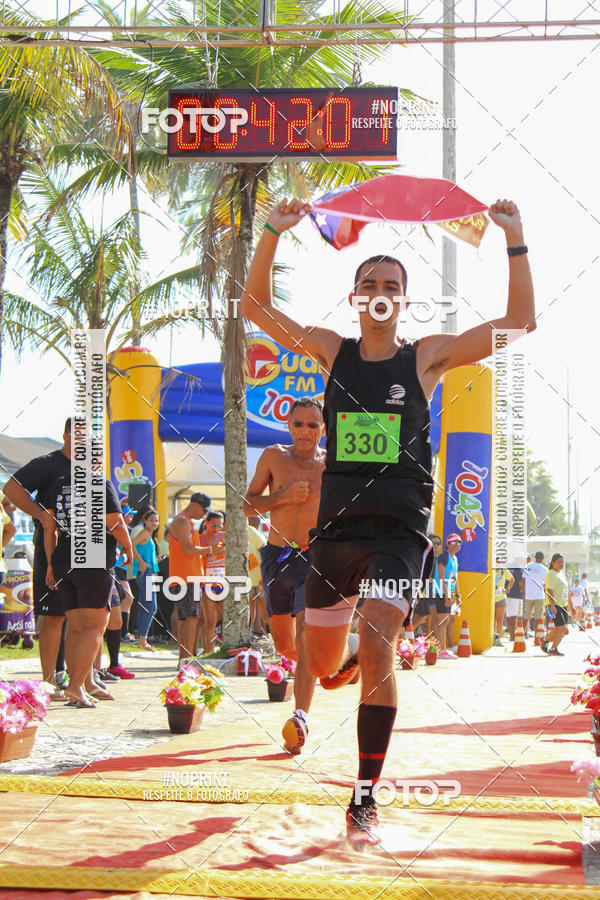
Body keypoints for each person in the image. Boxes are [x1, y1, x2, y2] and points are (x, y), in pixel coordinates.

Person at [240, 194, 534, 846]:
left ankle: (363, 799)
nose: (380, 293)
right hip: (336, 537)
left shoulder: (425, 357)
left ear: (402, 301)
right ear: (355, 297)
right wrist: (271, 232)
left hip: (399, 536)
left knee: (378, 643)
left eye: (391, 287)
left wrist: (513, 237)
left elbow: (519, 321)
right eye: (369, 284)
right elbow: (254, 309)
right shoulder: (331, 351)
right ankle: (340, 660)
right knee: (316, 661)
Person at [244, 397, 325, 755]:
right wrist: (283, 497)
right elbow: (247, 504)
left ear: (323, 429)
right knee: (284, 643)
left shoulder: (333, 463)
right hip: (278, 556)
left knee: (307, 635)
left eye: (313, 425)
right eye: (299, 424)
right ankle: (325, 666)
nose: (305, 431)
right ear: (289, 426)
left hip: (316, 557)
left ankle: (301, 716)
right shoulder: (274, 457)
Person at [42, 474, 133, 706]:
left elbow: (49, 527)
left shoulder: (58, 483)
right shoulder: (99, 483)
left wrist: (51, 563)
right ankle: (75, 687)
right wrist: (128, 548)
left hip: (63, 556)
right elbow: (115, 522)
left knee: (76, 627)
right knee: (94, 626)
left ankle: (79, 685)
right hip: (93, 555)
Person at [3, 418, 72, 692]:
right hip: (51, 547)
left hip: (85, 551)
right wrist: (41, 515)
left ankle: (79, 678)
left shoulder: (90, 467)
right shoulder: (47, 463)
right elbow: (11, 488)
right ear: (66, 435)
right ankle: (48, 681)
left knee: (81, 616)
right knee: (54, 614)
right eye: (79, 435)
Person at [168, 492, 213, 665]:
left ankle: (186, 659)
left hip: (189, 577)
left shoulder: (188, 522)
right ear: (195, 505)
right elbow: (187, 549)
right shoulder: (182, 521)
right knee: (190, 618)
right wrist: (210, 550)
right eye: (203, 510)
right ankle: (185, 661)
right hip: (185, 577)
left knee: (192, 618)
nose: (204, 515)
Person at [131, 508, 160, 651]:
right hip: (145, 573)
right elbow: (130, 545)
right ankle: (142, 639)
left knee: (144, 605)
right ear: (144, 521)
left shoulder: (149, 535)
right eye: (152, 520)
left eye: (156, 520)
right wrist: (141, 562)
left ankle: (141, 638)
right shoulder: (144, 533)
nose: (155, 523)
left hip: (148, 573)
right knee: (151, 607)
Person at [198, 511, 226, 655]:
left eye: (220, 525)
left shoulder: (224, 537)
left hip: (223, 581)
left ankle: (224, 649)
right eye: (214, 525)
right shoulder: (199, 539)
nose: (217, 529)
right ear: (206, 523)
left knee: (225, 617)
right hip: (207, 582)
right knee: (210, 620)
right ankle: (208, 651)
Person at [435, 535, 462, 658]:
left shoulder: (455, 558)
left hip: (448, 592)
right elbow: (441, 578)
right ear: (448, 544)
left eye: (460, 543)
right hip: (440, 591)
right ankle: (441, 649)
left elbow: (454, 578)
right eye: (455, 542)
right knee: (442, 621)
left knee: (446, 620)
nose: (458, 545)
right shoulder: (443, 557)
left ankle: (441, 648)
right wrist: (447, 595)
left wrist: (457, 595)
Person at [412, 533, 441, 634]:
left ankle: (428, 639)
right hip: (424, 590)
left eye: (438, 543)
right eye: (433, 543)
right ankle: (406, 634)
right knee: (422, 615)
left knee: (429, 616)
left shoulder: (442, 560)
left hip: (436, 591)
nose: (436, 545)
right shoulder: (425, 558)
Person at [542, 553, 570, 655]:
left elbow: (566, 591)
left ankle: (549, 644)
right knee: (561, 627)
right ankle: (549, 645)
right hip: (554, 605)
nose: (561, 564)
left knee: (561, 628)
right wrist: (552, 605)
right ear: (553, 562)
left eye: (563, 562)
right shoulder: (551, 574)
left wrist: (570, 606)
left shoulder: (562, 575)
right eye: (559, 562)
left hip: (563, 605)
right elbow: (549, 590)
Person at [522, 551, 548, 638]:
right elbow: (546, 583)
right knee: (538, 617)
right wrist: (541, 584)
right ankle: (537, 636)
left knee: (526, 617)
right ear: (543, 558)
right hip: (539, 595)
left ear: (535, 557)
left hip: (528, 595)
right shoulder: (544, 569)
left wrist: (524, 592)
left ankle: (521, 634)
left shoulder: (528, 566)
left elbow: (523, 580)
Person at [494, 563, 514, 646]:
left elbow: (512, 579)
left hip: (501, 598)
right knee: (493, 620)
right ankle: (492, 638)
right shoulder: (490, 568)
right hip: (491, 598)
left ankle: (498, 639)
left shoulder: (503, 569)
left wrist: (507, 589)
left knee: (499, 620)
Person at [506, 566, 525, 642]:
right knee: (515, 616)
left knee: (508, 616)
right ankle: (514, 635)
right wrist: (524, 592)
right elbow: (520, 582)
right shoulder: (518, 569)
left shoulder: (507, 567)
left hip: (507, 594)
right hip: (517, 595)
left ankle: (511, 635)